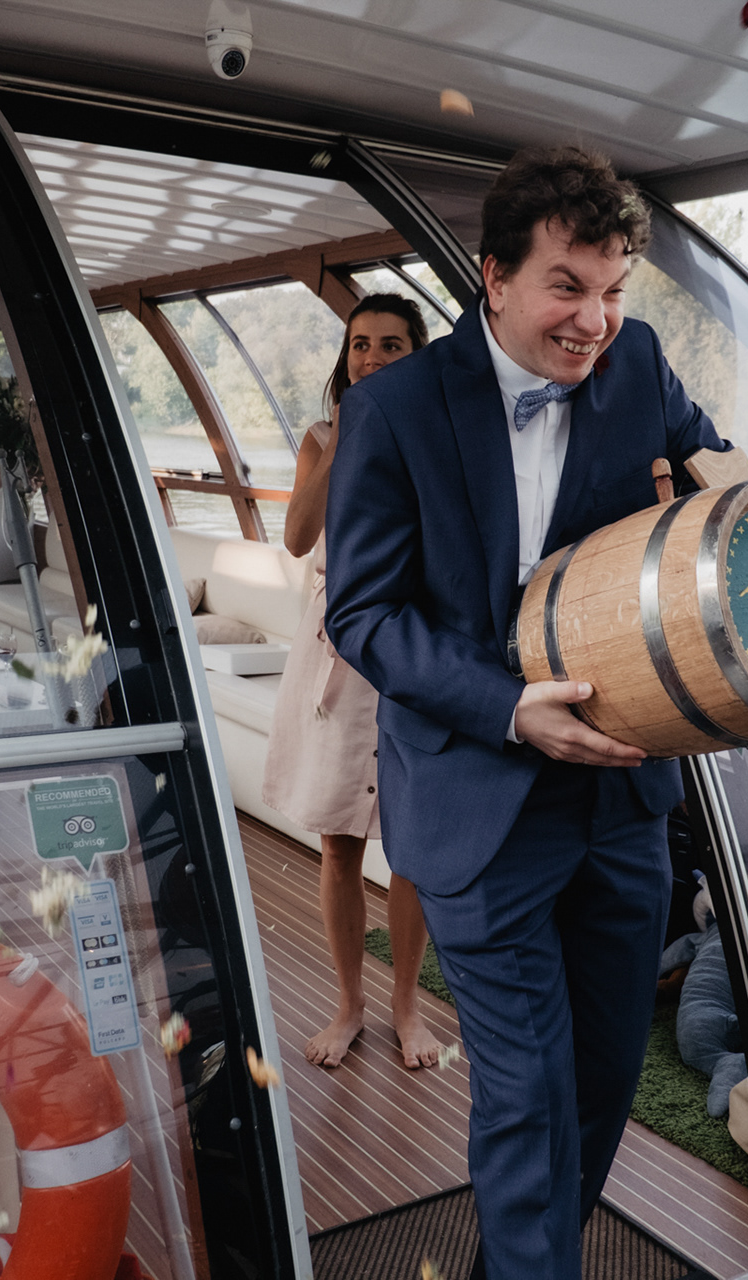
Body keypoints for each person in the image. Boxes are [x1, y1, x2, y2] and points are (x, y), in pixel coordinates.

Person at [324, 145, 748, 1279]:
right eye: (568, 288)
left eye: (615, 288)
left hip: (625, 800)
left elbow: (730, 481)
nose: (595, 321)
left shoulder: (638, 365)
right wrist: (508, 706)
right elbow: (363, 615)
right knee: (529, 1094)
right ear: (494, 278)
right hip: (477, 801)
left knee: (600, 1086)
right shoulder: (393, 409)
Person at [263, 294, 442, 1070]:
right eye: (360, 343)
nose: (371, 357)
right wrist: (344, 437)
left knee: (411, 848)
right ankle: (349, 1005)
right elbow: (297, 536)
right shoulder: (320, 438)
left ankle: (406, 1006)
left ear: (418, 354)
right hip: (335, 646)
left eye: (390, 345)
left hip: (411, 649)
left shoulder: (440, 438)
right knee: (338, 842)